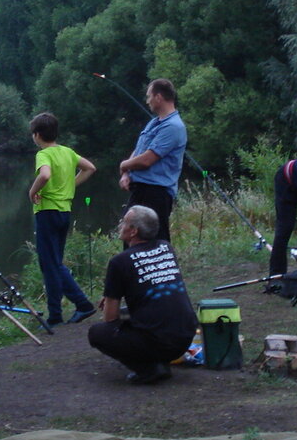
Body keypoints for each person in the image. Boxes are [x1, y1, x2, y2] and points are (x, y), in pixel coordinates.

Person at [87, 205, 198, 384]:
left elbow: (110, 318)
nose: (120, 225)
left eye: (124, 222)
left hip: (160, 342)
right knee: (141, 311)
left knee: (98, 333)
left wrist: (111, 299)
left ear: (133, 231)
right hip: (185, 337)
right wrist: (113, 293)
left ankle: (149, 369)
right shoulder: (166, 248)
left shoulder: (119, 262)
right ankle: (156, 360)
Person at [28, 112, 97, 328]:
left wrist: (32, 191)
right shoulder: (67, 152)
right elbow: (90, 168)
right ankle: (59, 312)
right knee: (53, 263)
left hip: (47, 212)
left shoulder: (43, 154)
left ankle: (71, 309)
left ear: (37, 135)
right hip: (64, 213)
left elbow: (45, 175)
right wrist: (71, 185)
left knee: (50, 264)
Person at [118, 78, 186, 242]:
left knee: (156, 240)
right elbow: (140, 150)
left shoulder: (173, 126)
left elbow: (147, 160)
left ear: (159, 97)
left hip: (157, 193)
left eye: (149, 96)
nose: (147, 100)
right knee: (131, 237)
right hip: (141, 190)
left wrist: (123, 165)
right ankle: (134, 268)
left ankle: (164, 267)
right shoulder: (154, 123)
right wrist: (126, 173)